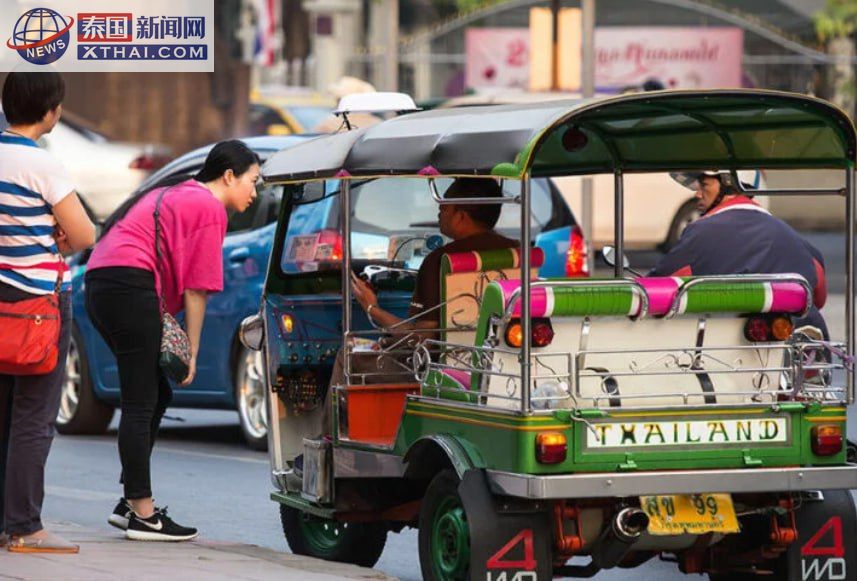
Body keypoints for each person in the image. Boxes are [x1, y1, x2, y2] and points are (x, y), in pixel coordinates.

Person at [84, 140, 260, 542]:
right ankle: (142, 512)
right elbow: (198, 288)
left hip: (102, 283)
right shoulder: (209, 207)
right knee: (141, 399)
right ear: (229, 175)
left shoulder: (177, 191)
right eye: (252, 181)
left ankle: (131, 502)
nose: (255, 191)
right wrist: (192, 349)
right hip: (129, 285)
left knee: (154, 395)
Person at [0, 72, 96, 553]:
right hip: (37, 304)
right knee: (34, 416)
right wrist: (55, 233)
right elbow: (84, 236)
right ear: (50, 111)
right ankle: (25, 526)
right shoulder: (43, 164)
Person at [650, 170, 828, 335]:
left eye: (704, 185)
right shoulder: (797, 240)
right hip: (803, 355)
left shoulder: (700, 232)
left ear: (730, 185)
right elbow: (819, 298)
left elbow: (657, 289)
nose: (697, 193)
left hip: (728, 354)